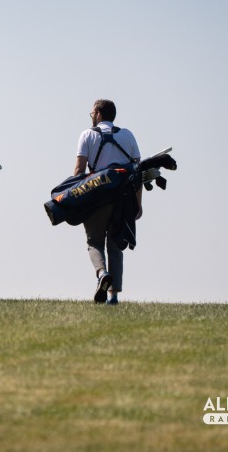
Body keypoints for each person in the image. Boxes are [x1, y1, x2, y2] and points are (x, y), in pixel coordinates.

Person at [74, 99, 141, 305]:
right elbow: (138, 172)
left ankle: (102, 273)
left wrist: (75, 198)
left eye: (92, 113)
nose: (91, 117)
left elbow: (79, 171)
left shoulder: (87, 135)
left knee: (94, 242)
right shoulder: (128, 135)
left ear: (98, 114)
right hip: (122, 198)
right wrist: (138, 204)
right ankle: (113, 296)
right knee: (115, 245)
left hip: (96, 195)